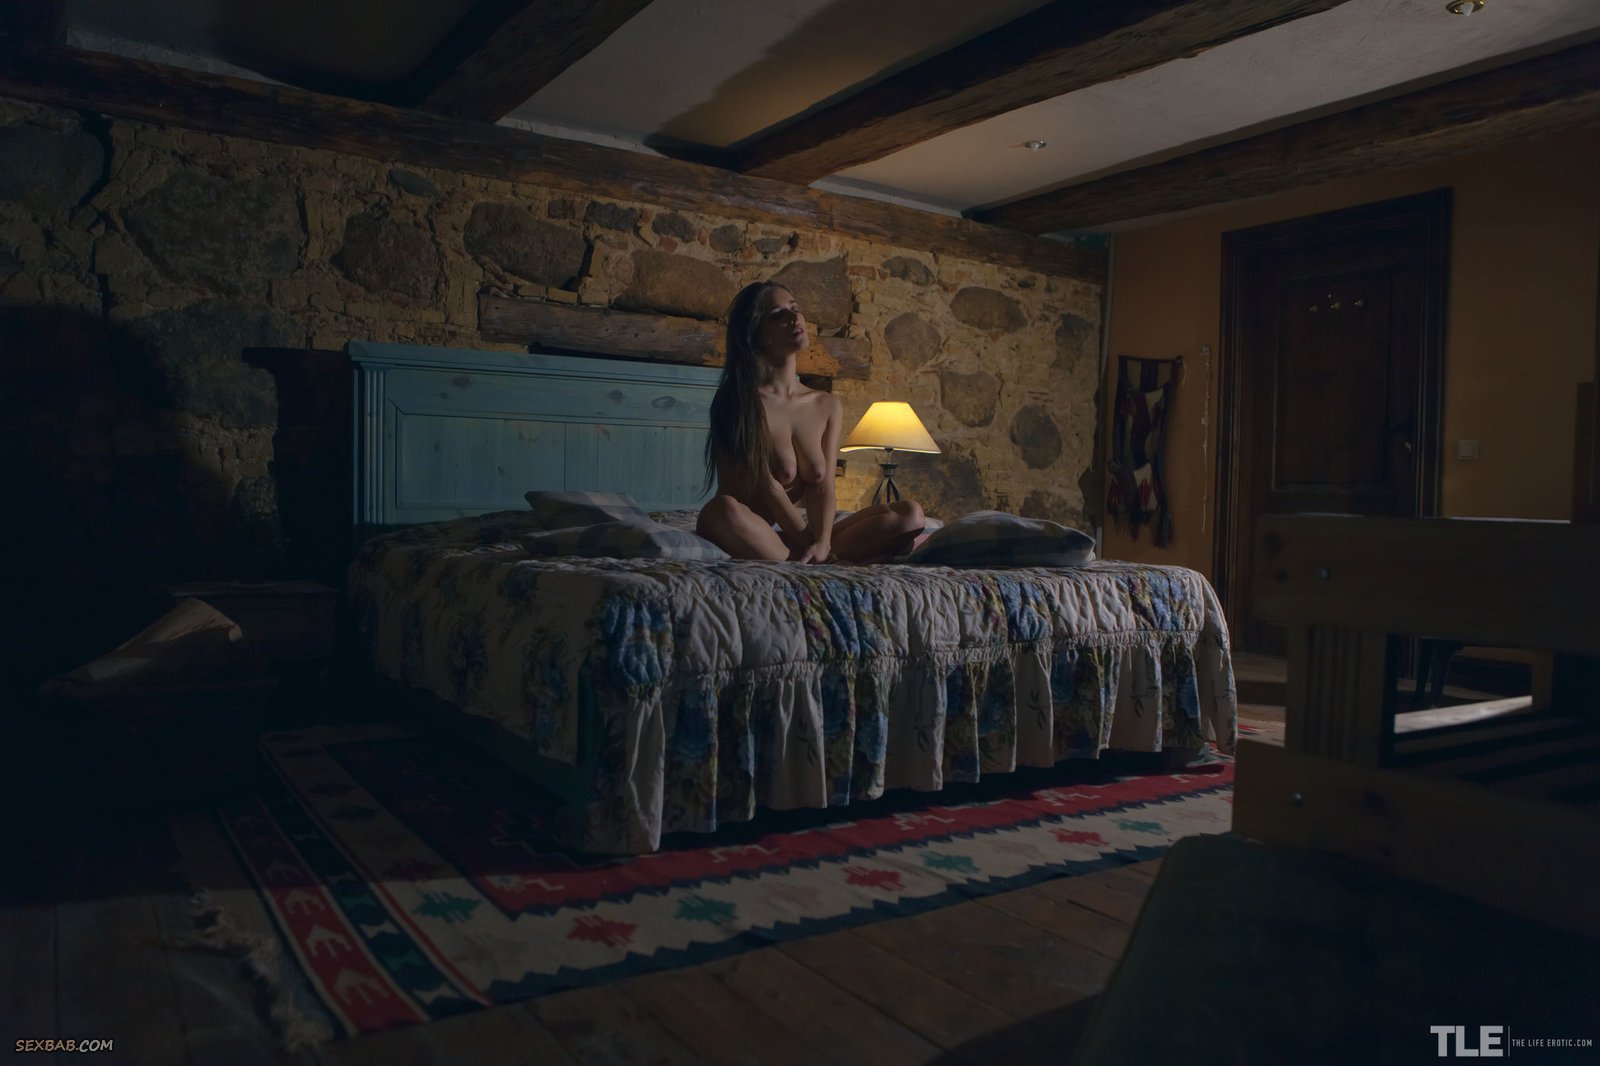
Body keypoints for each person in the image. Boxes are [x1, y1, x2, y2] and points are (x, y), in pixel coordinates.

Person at [697, 281, 926, 563]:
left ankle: (806, 559)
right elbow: (770, 489)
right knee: (722, 509)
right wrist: (813, 546)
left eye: (795, 309)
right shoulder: (738, 400)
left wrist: (822, 542)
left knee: (911, 515)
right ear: (757, 333)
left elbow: (824, 487)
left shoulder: (826, 405)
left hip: (785, 539)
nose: (795, 318)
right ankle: (818, 562)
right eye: (778, 315)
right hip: (742, 527)